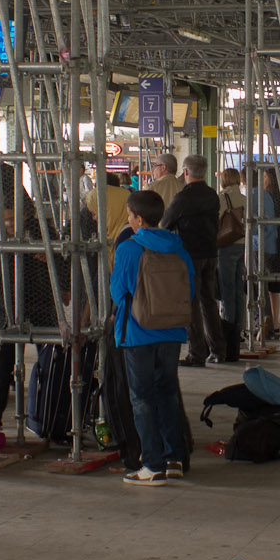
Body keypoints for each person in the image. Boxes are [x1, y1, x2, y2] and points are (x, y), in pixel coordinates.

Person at [111, 190, 195, 487]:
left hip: (137, 333)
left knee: (142, 399)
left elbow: (118, 291)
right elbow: (190, 289)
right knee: (168, 394)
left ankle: (151, 464)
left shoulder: (129, 249)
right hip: (172, 332)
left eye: (130, 215)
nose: (129, 219)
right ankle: (174, 459)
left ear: (139, 219)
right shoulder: (178, 247)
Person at [163, 155, 229, 366]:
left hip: (189, 255)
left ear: (186, 172)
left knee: (191, 304)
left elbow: (166, 222)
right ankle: (219, 349)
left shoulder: (183, 197)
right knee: (209, 302)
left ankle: (197, 353)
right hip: (211, 253)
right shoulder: (212, 195)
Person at [256, 168, 280, 340]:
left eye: (263, 176)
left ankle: (267, 323)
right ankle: (274, 323)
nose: (261, 179)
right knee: (273, 288)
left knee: (264, 284)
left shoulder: (267, 198)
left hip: (271, 244)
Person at [216, 169, 247, 338]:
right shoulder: (244, 199)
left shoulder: (222, 199)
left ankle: (228, 329)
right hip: (242, 245)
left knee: (226, 287)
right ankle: (239, 328)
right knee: (238, 287)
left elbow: (215, 221)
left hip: (225, 245)